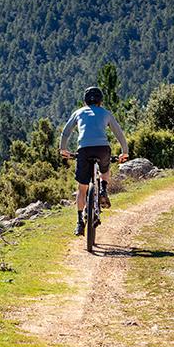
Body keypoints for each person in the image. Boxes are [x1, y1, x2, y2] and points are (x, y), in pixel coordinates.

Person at [59, 86, 129, 236]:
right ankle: (103, 188)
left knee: (82, 189)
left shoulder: (78, 112)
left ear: (85, 101)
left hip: (84, 150)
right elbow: (119, 133)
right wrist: (125, 152)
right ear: (100, 101)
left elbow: (66, 132)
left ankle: (79, 222)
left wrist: (63, 149)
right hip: (103, 149)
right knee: (104, 168)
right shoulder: (106, 113)